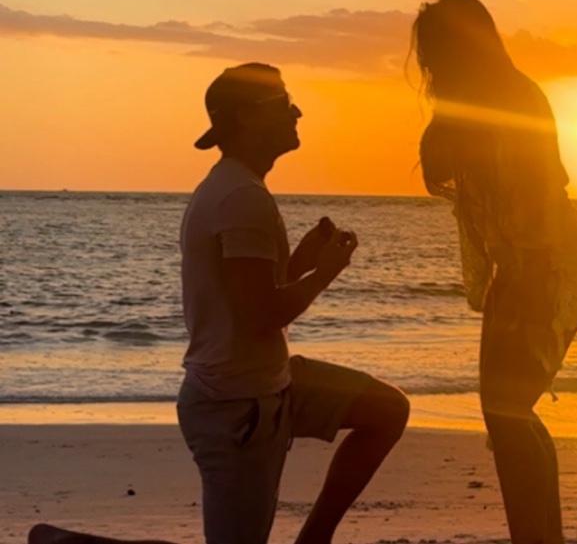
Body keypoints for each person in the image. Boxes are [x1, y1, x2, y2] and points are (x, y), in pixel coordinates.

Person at [30, 62, 409, 544]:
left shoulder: (236, 188)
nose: (297, 112)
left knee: (386, 411)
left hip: (273, 387)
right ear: (249, 119)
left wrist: (302, 262)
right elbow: (261, 317)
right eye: (284, 104)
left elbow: (248, 296)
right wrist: (328, 272)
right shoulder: (239, 198)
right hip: (236, 409)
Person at [411, 0, 577, 544]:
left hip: (548, 262)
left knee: (507, 412)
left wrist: (533, 284)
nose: (428, 67)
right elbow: (436, 168)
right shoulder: (472, 108)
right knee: (509, 413)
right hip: (521, 265)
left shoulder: (516, 99)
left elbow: (545, 194)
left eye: (435, 52)